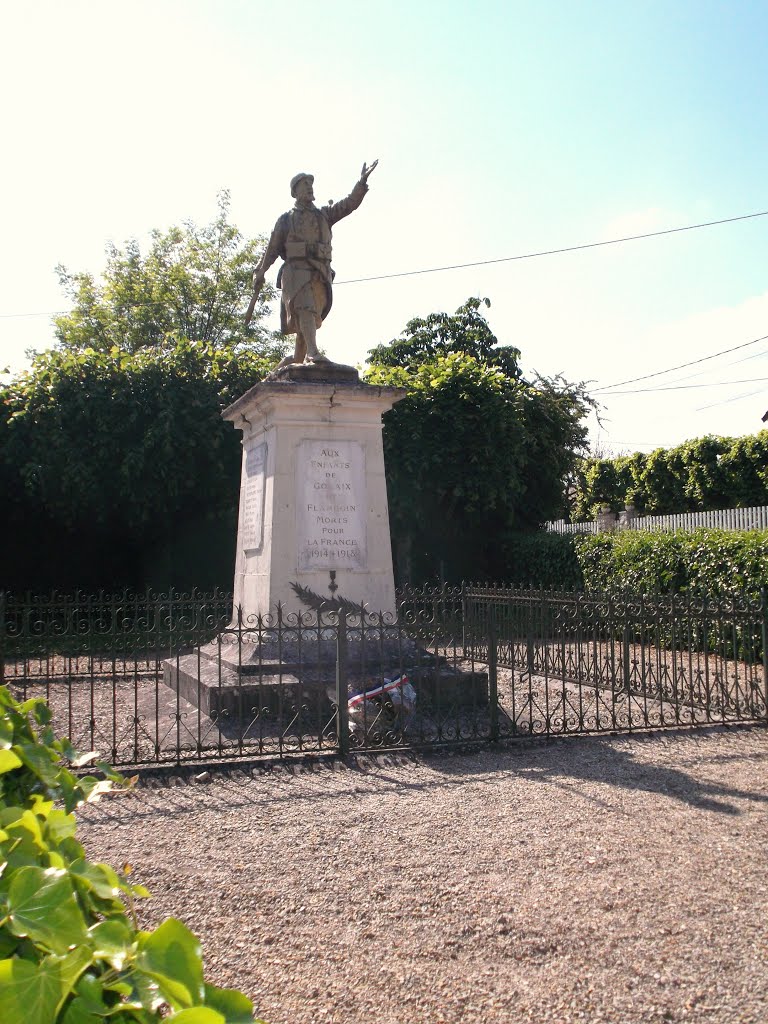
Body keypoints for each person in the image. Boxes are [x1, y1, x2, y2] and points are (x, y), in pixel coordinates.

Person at [248, 161, 378, 367]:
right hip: (295, 272)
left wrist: (361, 183)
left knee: (309, 319)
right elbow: (272, 248)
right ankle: (313, 353)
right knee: (305, 308)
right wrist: (260, 271)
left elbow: (349, 204)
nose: (309, 188)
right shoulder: (285, 219)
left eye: (310, 184)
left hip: (319, 271)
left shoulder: (324, 215)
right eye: (304, 184)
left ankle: (295, 359)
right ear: (294, 192)